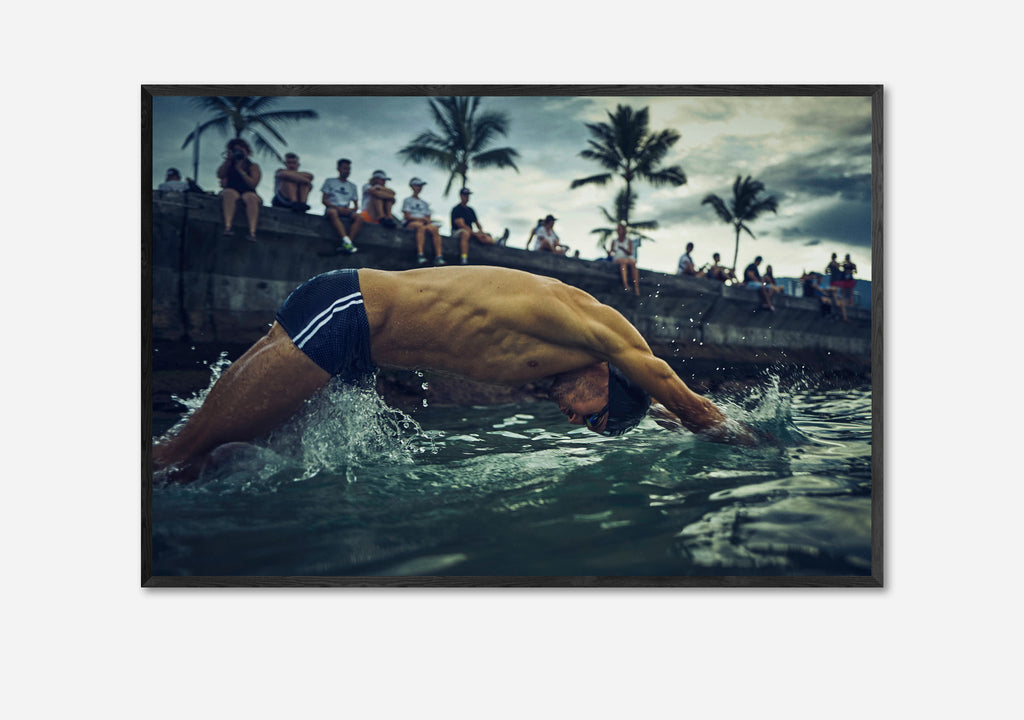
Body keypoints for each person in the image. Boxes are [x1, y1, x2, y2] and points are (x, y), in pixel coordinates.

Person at [153, 266, 761, 480]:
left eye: (586, 426)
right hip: (347, 313)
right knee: (178, 457)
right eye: (591, 415)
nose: (574, 418)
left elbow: (645, 399)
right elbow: (662, 380)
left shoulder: (569, 357)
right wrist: (745, 440)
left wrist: (654, 418)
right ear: (613, 375)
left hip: (355, 353)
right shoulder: (596, 327)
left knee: (216, 466)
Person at [216, 138, 262, 242]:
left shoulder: (253, 166)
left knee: (250, 198)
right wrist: (228, 160)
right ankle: (228, 227)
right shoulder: (229, 164)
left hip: (248, 192)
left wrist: (240, 170)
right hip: (231, 190)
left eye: (241, 150)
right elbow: (220, 174)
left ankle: (252, 232)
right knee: (229, 194)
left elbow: (253, 184)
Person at [321, 158, 363, 254]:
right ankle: (346, 240)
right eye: (345, 168)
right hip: (333, 208)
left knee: (360, 217)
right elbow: (324, 200)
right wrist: (337, 208)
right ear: (339, 169)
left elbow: (356, 206)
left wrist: (349, 210)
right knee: (332, 212)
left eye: (348, 169)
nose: (347, 171)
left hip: (346, 210)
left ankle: (348, 243)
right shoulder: (330, 181)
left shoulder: (352, 186)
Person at [402, 178, 445, 265]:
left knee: (435, 229)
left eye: (420, 186)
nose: (419, 188)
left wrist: (425, 221)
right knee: (420, 226)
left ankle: (438, 256)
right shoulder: (407, 200)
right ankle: (420, 255)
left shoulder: (425, 203)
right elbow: (407, 217)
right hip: (411, 223)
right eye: (417, 185)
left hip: (424, 223)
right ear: (412, 187)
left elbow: (428, 218)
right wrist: (420, 220)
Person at [450, 187, 495, 264]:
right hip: (457, 232)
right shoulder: (456, 209)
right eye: (465, 195)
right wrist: (476, 235)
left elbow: (478, 224)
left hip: (471, 233)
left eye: (468, 195)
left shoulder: (470, 210)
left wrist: (481, 233)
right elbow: (461, 225)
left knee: (487, 237)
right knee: (465, 233)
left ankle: (497, 241)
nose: (467, 197)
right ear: (461, 196)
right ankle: (463, 258)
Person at [609, 222, 640, 296]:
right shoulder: (614, 241)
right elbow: (610, 252)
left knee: (633, 263)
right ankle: (625, 284)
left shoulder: (628, 241)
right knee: (624, 262)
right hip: (618, 258)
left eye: (620, 229)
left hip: (627, 257)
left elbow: (630, 252)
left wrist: (623, 249)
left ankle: (636, 287)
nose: (619, 231)